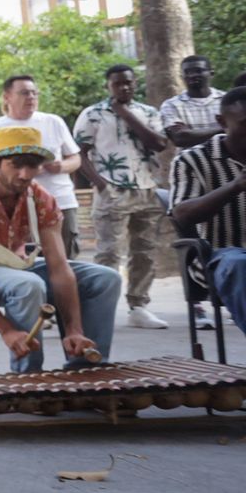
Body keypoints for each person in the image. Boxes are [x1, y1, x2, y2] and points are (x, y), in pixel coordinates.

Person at [0, 126, 120, 373]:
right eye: (15, 164)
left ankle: (85, 367)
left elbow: (59, 267)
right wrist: (6, 331)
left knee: (105, 279)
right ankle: (28, 378)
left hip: (12, 265)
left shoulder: (41, 198)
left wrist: (74, 328)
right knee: (28, 285)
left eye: (32, 165)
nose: (25, 174)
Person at [73, 64, 169, 330]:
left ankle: (138, 306)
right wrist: (101, 184)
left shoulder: (148, 112)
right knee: (109, 253)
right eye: (117, 83)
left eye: (128, 82)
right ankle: (100, 307)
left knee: (145, 251)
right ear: (108, 86)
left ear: (134, 82)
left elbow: (159, 144)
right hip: (112, 190)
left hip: (147, 188)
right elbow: (78, 153)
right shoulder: (92, 114)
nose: (123, 87)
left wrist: (124, 113)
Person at [0, 75, 83, 257]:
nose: (31, 98)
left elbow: (76, 159)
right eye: (25, 93)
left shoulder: (53, 122)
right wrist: (21, 170)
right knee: (23, 261)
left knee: (65, 259)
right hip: (16, 205)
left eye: (35, 93)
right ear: (7, 97)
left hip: (60, 200)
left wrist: (61, 166)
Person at [170, 87, 246, 337]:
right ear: (222, 122)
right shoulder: (192, 161)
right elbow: (181, 214)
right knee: (240, 263)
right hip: (218, 258)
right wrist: (235, 186)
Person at [162, 55, 227, 328]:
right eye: (187, 72)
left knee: (228, 235)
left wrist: (203, 131)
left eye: (199, 71)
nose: (193, 76)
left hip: (227, 171)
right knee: (190, 239)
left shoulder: (225, 99)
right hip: (191, 177)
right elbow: (180, 138)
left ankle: (232, 298)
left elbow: (191, 135)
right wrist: (223, 128)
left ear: (210, 71)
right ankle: (197, 304)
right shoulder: (172, 105)